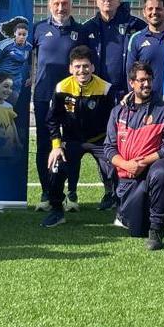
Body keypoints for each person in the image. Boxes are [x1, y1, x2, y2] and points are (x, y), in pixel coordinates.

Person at [40, 46, 117, 228]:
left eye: (85, 66)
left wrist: (112, 145)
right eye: (77, 67)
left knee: (118, 169)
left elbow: (114, 120)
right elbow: (52, 119)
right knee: (56, 166)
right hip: (72, 140)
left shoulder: (105, 89)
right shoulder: (62, 87)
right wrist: (57, 145)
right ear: (70, 68)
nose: (82, 71)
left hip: (100, 140)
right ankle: (57, 211)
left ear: (93, 67)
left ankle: (122, 211)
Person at [104, 61, 164, 250]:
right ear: (131, 83)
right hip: (127, 178)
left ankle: (157, 229)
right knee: (137, 231)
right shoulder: (117, 112)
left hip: (151, 171)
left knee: (162, 170)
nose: (147, 84)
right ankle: (128, 215)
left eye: (149, 80)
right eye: (142, 80)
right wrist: (127, 165)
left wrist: (143, 162)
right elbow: (109, 148)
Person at [30, 0, 86, 210]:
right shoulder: (38, 29)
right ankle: (47, 193)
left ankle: (71, 194)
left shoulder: (80, 31)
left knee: (71, 145)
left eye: (65, 4)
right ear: (49, 5)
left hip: (72, 97)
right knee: (45, 145)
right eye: (56, 4)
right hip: (44, 96)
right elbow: (25, 57)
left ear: (71, 6)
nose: (61, 8)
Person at [82, 0, 145, 98]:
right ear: (96, 1)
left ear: (119, 1)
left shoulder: (135, 25)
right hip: (96, 92)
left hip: (127, 91)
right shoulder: (87, 28)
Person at [126, 0, 164, 100]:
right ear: (144, 12)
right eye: (150, 9)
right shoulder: (136, 39)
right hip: (146, 101)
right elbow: (130, 73)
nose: (154, 12)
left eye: (158, 9)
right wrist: (134, 97)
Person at [0, 17, 32, 113]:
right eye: (19, 34)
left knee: (9, 107)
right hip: (1, 78)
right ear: (15, 33)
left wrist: (31, 77)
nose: (21, 36)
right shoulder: (4, 44)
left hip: (16, 81)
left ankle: (5, 124)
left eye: (24, 34)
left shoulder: (28, 47)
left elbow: (30, 62)